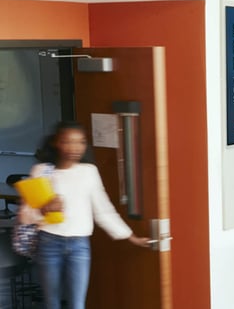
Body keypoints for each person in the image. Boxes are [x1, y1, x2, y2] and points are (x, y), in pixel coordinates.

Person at [18, 121, 149, 309]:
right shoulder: (42, 171)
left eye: (80, 142)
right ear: (57, 142)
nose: (75, 148)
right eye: (68, 142)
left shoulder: (89, 172)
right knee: (51, 303)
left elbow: (103, 210)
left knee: (78, 304)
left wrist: (131, 237)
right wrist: (44, 209)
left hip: (79, 245)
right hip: (48, 242)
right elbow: (24, 215)